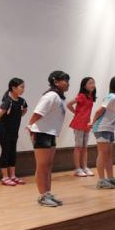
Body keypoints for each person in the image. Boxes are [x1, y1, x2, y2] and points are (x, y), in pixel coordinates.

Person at [26, 71, 70, 207]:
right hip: (41, 133)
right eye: (65, 80)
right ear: (55, 82)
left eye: (68, 81)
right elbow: (38, 113)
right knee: (42, 165)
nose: (68, 83)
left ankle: (48, 193)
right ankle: (42, 196)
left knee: (48, 165)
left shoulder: (60, 97)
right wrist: (30, 125)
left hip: (50, 134)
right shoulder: (51, 96)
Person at [89, 76, 115, 189]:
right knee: (103, 153)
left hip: (109, 129)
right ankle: (101, 180)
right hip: (102, 128)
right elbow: (99, 111)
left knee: (108, 154)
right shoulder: (111, 97)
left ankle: (110, 178)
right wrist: (92, 122)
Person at [0, 78, 28, 186]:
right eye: (21, 87)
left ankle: (12, 176)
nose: (23, 89)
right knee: (6, 151)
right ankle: (5, 177)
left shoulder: (22, 101)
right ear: (13, 88)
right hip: (3, 131)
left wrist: (17, 116)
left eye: (24, 87)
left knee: (12, 152)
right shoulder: (8, 101)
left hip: (14, 131)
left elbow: (24, 110)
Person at [67, 77, 96, 177]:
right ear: (84, 85)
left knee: (85, 147)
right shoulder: (81, 96)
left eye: (93, 83)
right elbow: (69, 104)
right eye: (90, 83)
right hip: (79, 123)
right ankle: (77, 169)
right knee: (78, 146)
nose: (93, 85)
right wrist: (76, 113)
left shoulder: (91, 97)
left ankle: (85, 167)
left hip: (87, 124)